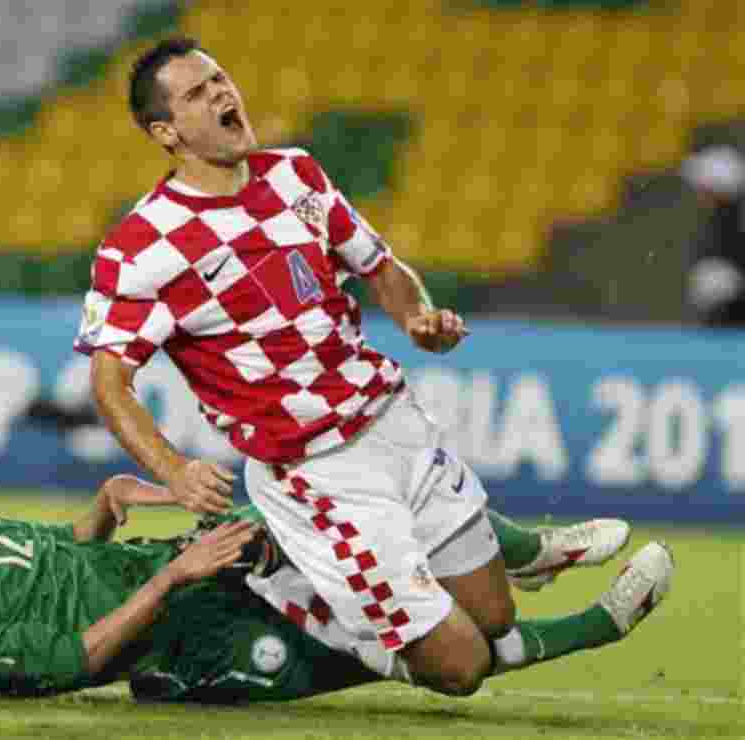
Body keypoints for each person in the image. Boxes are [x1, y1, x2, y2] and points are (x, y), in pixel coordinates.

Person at [75, 37, 675, 696]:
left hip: (392, 423)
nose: (221, 93)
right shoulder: (143, 246)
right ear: (166, 131)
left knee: (495, 614)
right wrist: (174, 470)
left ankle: (517, 557)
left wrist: (418, 316)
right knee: (460, 665)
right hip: (316, 472)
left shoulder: (294, 174)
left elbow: (379, 265)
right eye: (196, 92)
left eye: (219, 78)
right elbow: (111, 384)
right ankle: (598, 621)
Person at [0, 443, 670, 703]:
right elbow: (65, 664)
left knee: (342, 490)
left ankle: (531, 552)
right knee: (428, 654)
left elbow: (61, 555)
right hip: (190, 648)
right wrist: (171, 581)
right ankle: (602, 624)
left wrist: (104, 509)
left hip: (193, 566)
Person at [681, 145, 745, 327]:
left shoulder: (733, 220)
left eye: (704, 187)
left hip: (733, 320)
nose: (699, 193)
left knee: (715, 280)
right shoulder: (722, 218)